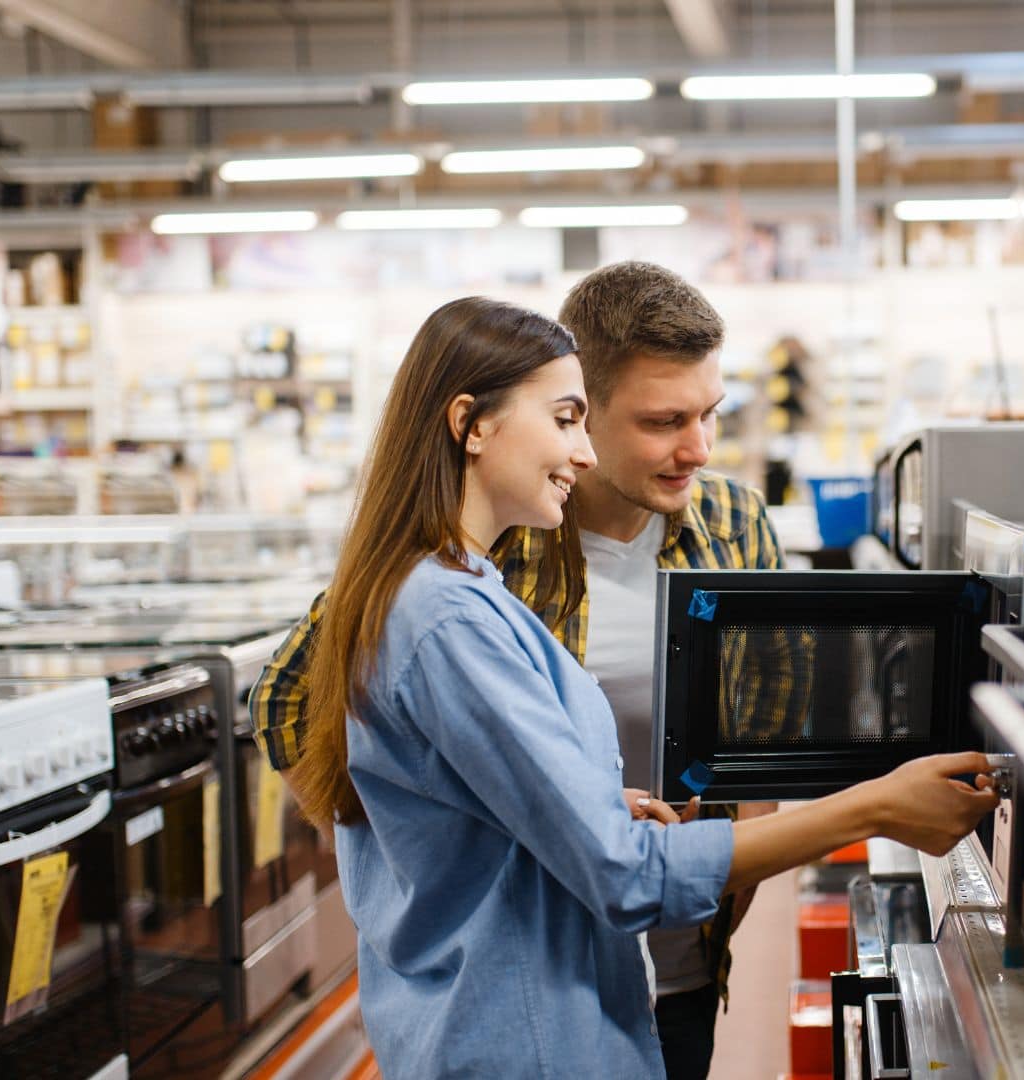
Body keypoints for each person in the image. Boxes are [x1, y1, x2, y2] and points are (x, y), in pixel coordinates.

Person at [292, 295, 998, 1076]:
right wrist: (878, 806)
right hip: (521, 1022)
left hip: (620, 977)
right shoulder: (446, 615)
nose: (585, 450)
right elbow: (620, 872)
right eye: (569, 419)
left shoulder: (473, 586)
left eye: (709, 416)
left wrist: (573, 807)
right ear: (473, 424)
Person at [252, 261, 799, 1078]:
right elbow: (288, 702)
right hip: (519, 992)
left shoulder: (731, 523)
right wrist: (423, 860)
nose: (698, 447)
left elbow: (766, 721)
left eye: (710, 414)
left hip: (679, 962)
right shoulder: (486, 540)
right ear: (584, 406)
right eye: (663, 421)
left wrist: (734, 865)